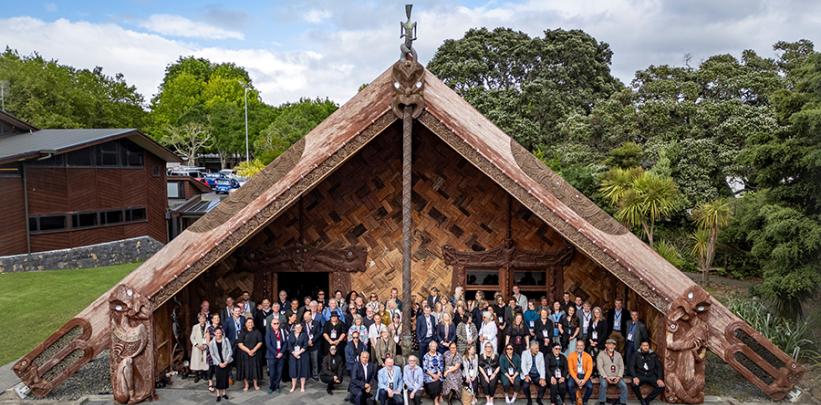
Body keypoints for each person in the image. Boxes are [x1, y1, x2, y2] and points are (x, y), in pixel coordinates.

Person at [629, 341, 664, 405]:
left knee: (661, 386)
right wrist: (634, 377)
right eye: (644, 345)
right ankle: (641, 399)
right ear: (641, 346)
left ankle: (647, 399)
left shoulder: (653, 354)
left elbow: (659, 367)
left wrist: (659, 378)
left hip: (651, 375)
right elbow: (631, 366)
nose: (645, 347)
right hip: (640, 375)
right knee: (634, 384)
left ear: (649, 346)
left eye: (647, 345)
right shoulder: (636, 354)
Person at [597, 338, 627, 405]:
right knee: (603, 385)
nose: (611, 346)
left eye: (613, 345)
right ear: (606, 345)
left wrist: (619, 377)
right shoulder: (601, 354)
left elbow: (622, 366)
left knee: (624, 386)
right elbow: (600, 367)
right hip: (605, 376)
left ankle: (623, 402)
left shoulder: (618, 354)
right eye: (609, 344)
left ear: (615, 346)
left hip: (616, 376)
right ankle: (602, 402)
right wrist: (606, 377)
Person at [237, 318, 263, 391]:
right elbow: (240, 344)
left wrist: (254, 350)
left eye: (251, 322)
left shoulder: (257, 332)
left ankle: (255, 384)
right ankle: (246, 384)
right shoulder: (242, 332)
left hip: (255, 353)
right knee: (245, 369)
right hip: (244, 354)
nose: (250, 324)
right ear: (245, 324)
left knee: (255, 369)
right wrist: (248, 351)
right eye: (248, 322)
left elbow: (260, 342)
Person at [208, 328, 233, 402]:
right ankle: (218, 394)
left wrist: (226, 361)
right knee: (218, 378)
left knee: (225, 378)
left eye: (220, 333)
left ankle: (224, 393)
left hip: (226, 361)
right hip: (217, 363)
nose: (219, 334)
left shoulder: (226, 340)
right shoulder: (212, 343)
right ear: (214, 333)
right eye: (217, 333)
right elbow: (212, 354)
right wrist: (219, 363)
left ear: (222, 333)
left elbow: (230, 351)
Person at [567, 340, 593, 405]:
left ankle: (584, 400)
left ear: (584, 347)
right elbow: (570, 369)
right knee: (569, 385)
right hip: (575, 374)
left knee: (590, 387)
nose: (579, 347)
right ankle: (573, 400)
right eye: (578, 345)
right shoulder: (571, 355)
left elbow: (589, 370)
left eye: (581, 345)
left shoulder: (588, 356)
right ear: (576, 347)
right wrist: (576, 379)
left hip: (584, 375)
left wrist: (584, 380)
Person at [265, 318, 287, 393]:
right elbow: (268, 344)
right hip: (271, 355)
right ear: (271, 324)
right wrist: (276, 353)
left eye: (277, 323)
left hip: (281, 355)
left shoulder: (282, 331)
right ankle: (272, 386)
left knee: (279, 372)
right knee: (272, 372)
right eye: (274, 323)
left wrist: (281, 352)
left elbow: (285, 343)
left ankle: (277, 386)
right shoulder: (268, 332)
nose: (276, 325)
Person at [520, 341, 547, 405]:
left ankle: (539, 399)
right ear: (531, 348)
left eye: (538, 348)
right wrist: (526, 375)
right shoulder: (524, 353)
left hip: (537, 374)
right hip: (528, 374)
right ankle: (529, 399)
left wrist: (542, 378)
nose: (537, 350)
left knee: (543, 385)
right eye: (536, 348)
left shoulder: (541, 354)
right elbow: (523, 365)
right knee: (525, 386)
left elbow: (542, 367)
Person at [288, 322, 309, 392]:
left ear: (301, 328)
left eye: (299, 327)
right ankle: (293, 386)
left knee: (303, 370)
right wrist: (294, 353)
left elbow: (305, 345)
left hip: (303, 355)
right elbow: (289, 346)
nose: (298, 329)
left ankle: (302, 386)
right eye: (296, 327)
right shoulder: (290, 335)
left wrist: (299, 352)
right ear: (294, 328)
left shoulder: (304, 335)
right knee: (293, 371)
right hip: (293, 355)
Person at [189, 313, 210, 383]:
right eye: (200, 318)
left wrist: (206, 345)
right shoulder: (195, 327)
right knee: (197, 361)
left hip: (205, 346)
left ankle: (204, 374)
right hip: (197, 347)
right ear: (198, 319)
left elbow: (210, 337)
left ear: (205, 319)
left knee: (205, 360)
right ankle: (197, 375)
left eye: (203, 318)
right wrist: (197, 345)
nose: (202, 320)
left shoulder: (208, 326)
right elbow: (192, 337)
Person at [205, 313, 222, 393]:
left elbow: (224, 338)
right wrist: (213, 350)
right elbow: (208, 342)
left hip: (220, 350)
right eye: (215, 318)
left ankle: (219, 382)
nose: (217, 319)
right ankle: (210, 383)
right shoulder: (209, 329)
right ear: (212, 320)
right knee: (211, 367)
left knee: (218, 367)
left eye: (218, 318)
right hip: (211, 351)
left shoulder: (221, 328)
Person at [303, 310, 321, 380]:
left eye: (306, 317)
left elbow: (318, 333)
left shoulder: (316, 323)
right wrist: (307, 341)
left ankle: (315, 375)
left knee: (314, 361)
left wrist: (312, 340)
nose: (305, 319)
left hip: (314, 344)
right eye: (304, 317)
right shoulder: (302, 323)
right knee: (306, 361)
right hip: (305, 345)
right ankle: (307, 374)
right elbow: (302, 333)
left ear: (310, 316)